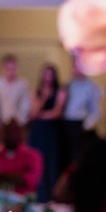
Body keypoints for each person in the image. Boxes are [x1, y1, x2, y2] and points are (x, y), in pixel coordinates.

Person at [28, 63, 65, 202]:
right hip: (38, 131)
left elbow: (57, 113)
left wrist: (41, 116)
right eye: (46, 74)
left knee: (50, 162)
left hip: (52, 131)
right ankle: (38, 196)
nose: (48, 77)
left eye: (51, 74)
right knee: (37, 161)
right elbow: (34, 112)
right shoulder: (36, 92)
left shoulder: (60, 91)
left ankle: (51, 197)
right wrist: (43, 97)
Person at [0, 119, 42, 195]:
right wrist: (17, 177)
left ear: (20, 133)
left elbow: (31, 180)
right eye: (8, 131)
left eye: (14, 131)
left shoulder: (33, 155)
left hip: (24, 199)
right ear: (2, 132)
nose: (11, 134)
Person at [0, 54, 31, 129]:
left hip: (16, 124)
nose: (10, 71)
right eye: (8, 68)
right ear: (3, 68)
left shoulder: (22, 85)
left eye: (13, 68)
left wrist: (20, 122)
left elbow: (25, 106)